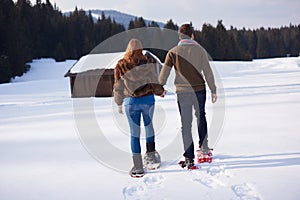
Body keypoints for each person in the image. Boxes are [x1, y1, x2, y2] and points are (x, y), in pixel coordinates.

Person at [159, 24, 217, 169]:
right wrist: (213, 90)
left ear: (180, 36)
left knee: (186, 123)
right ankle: (204, 148)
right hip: (199, 90)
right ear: (192, 35)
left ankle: (189, 158)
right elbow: (208, 72)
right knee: (201, 116)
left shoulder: (173, 52)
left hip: (182, 92)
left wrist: (160, 88)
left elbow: (164, 73)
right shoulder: (200, 51)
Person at [114, 39, 165, 177]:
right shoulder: (148, 62)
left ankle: (137, 166)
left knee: (134, 133)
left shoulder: (121, 64)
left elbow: (118, 87)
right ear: (141, 49)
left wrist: (118, 103)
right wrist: (161, 91)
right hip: (148, 100)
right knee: (149, 126)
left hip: (131, 102)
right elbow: (154, 80)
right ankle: (151, 158)